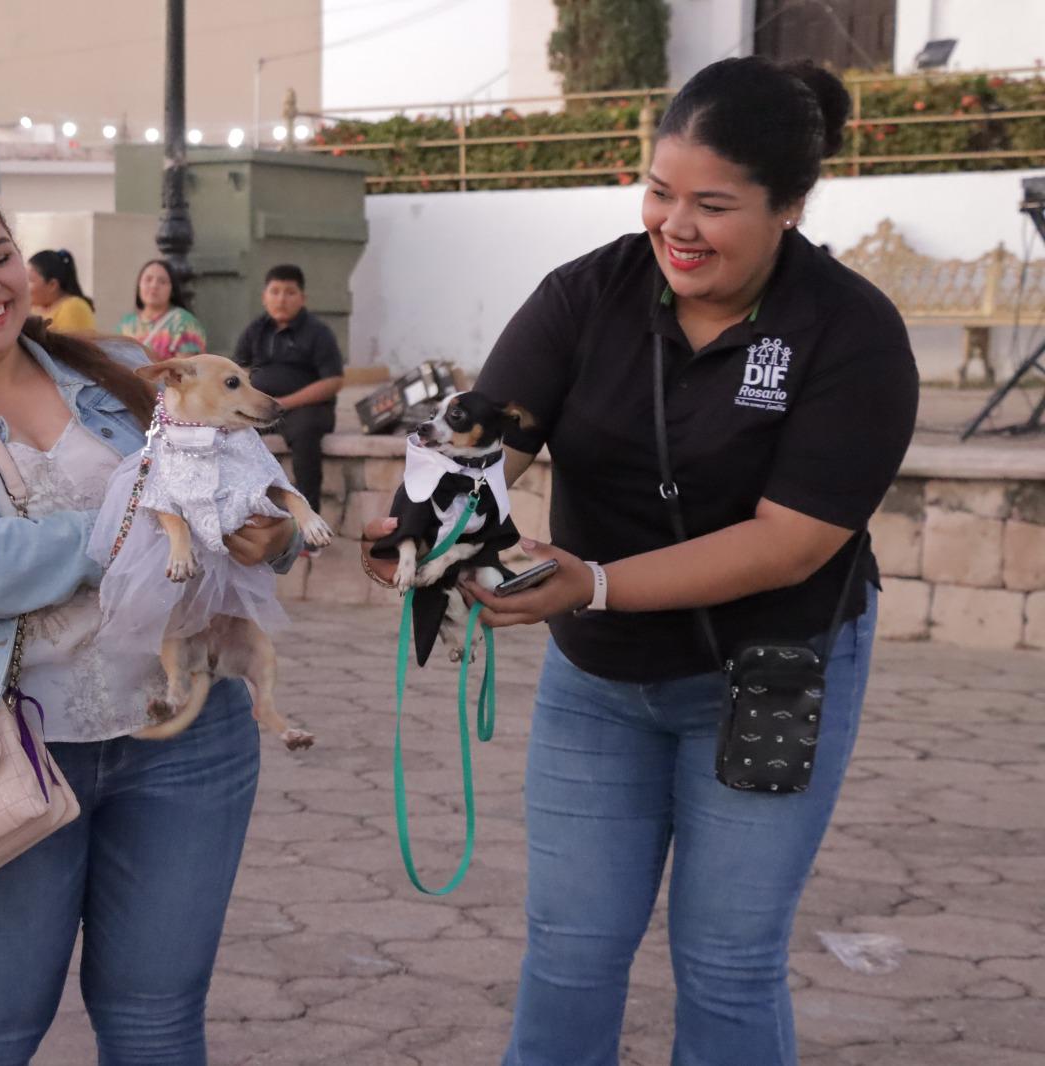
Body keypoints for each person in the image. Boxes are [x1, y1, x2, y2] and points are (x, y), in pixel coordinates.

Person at [360, 58, 918, 1066]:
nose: (677, 225)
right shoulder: (590, 294)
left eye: (714, 204)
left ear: (789, 205)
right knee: (568, 950)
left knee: (726, 961)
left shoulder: (850, 333)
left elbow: (791, 540)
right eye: (660, 191)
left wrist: (597, 581)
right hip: (600, 681)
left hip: (766, 674)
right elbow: (491, 436)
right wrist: (422, 528)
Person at [0, 181, 301, 1064]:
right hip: (5, 752)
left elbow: (247, 492)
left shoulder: (122, 367)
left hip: (185, 738)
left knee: (158, 1022)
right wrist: (130, 527)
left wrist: (268, 532)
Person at [232, 264, 345, 517]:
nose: (281, 299)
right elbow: (238, 371)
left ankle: (309, 520)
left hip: (306, 410)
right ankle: (243, 513)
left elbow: (333, 381)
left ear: (302, 298)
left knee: (306, 436)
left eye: (289, 292)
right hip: (261, 408)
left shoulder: (318, 333)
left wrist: (285, 403)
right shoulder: (255, 331)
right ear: (264, 297)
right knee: (234, 433)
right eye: (275, 291)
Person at [118, 258, 207, 361]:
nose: (154, 285)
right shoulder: (126, 324)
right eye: (148, 279)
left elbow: (186, 371)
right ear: (139, 285)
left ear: (172, 289)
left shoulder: (183, 323)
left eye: (162, 282)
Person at [26, 248, 97, 333]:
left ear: (52, 285)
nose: (24, 286)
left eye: (29, 280)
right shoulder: (34, 308)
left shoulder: (72, 307)